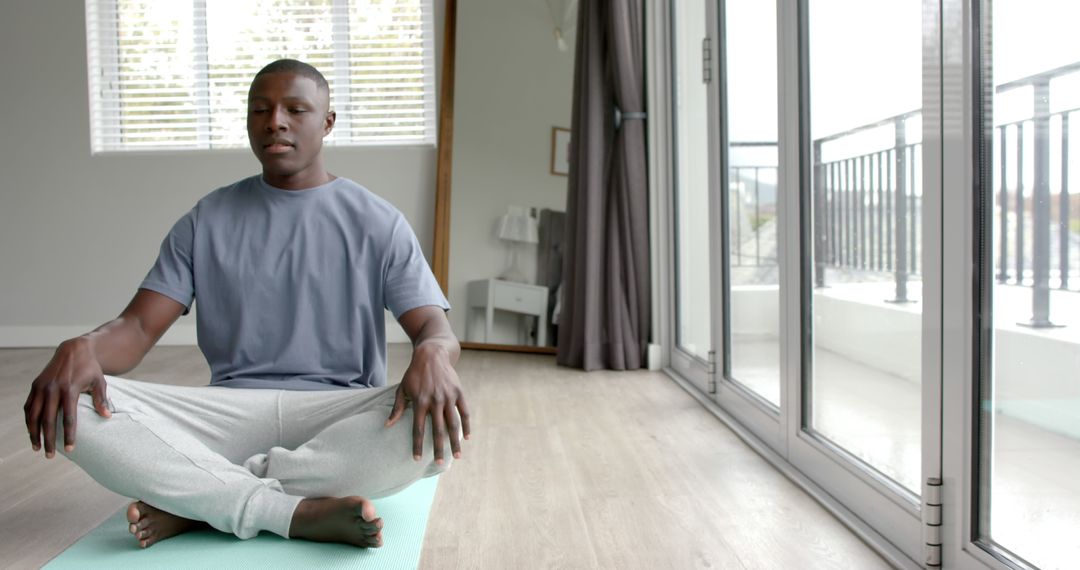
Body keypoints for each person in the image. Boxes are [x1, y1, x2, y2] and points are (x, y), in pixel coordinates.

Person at [22, 59, 468, 550]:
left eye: (295, 109)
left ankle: (202, 500)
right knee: (77, 407)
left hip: (335, 415)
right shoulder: (205, 219)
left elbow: (433, 326)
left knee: (431, 428)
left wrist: (433, 351)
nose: (274, 121)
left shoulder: (379, 221)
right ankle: (285, 510)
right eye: (261, 109)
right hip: (223, 414)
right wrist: (83, 346)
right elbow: (137, 328)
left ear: (327, 122)